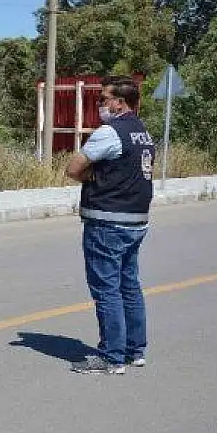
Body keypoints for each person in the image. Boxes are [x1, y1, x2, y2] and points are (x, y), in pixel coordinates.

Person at [64, 76, 156, 375]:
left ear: (120, 102)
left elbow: (73, 168)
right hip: (135, 221)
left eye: (103, 99)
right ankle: (134, 350)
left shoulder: (110, 132)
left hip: (108, 221)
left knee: (107, 290)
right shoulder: (142, 132)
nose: (99, 105)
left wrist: (91, 177)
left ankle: (111, 357)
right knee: (129, 286)